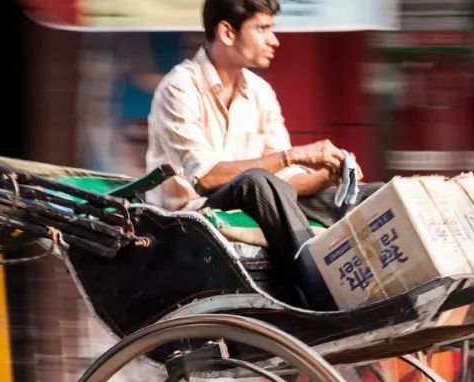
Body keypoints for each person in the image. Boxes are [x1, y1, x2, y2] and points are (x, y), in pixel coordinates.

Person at [146, 0, 377, 309]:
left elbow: (284, 183)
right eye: (262, 29)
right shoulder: (179, 88)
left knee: (361, 195)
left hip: (257, 199)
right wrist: (292, 155)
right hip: (190, 222)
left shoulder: (261, 92)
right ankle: (322, 299)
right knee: (255, 181)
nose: (274, 40)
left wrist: (327, 177)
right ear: (227, 32)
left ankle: (388, 282)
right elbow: (206, 177)